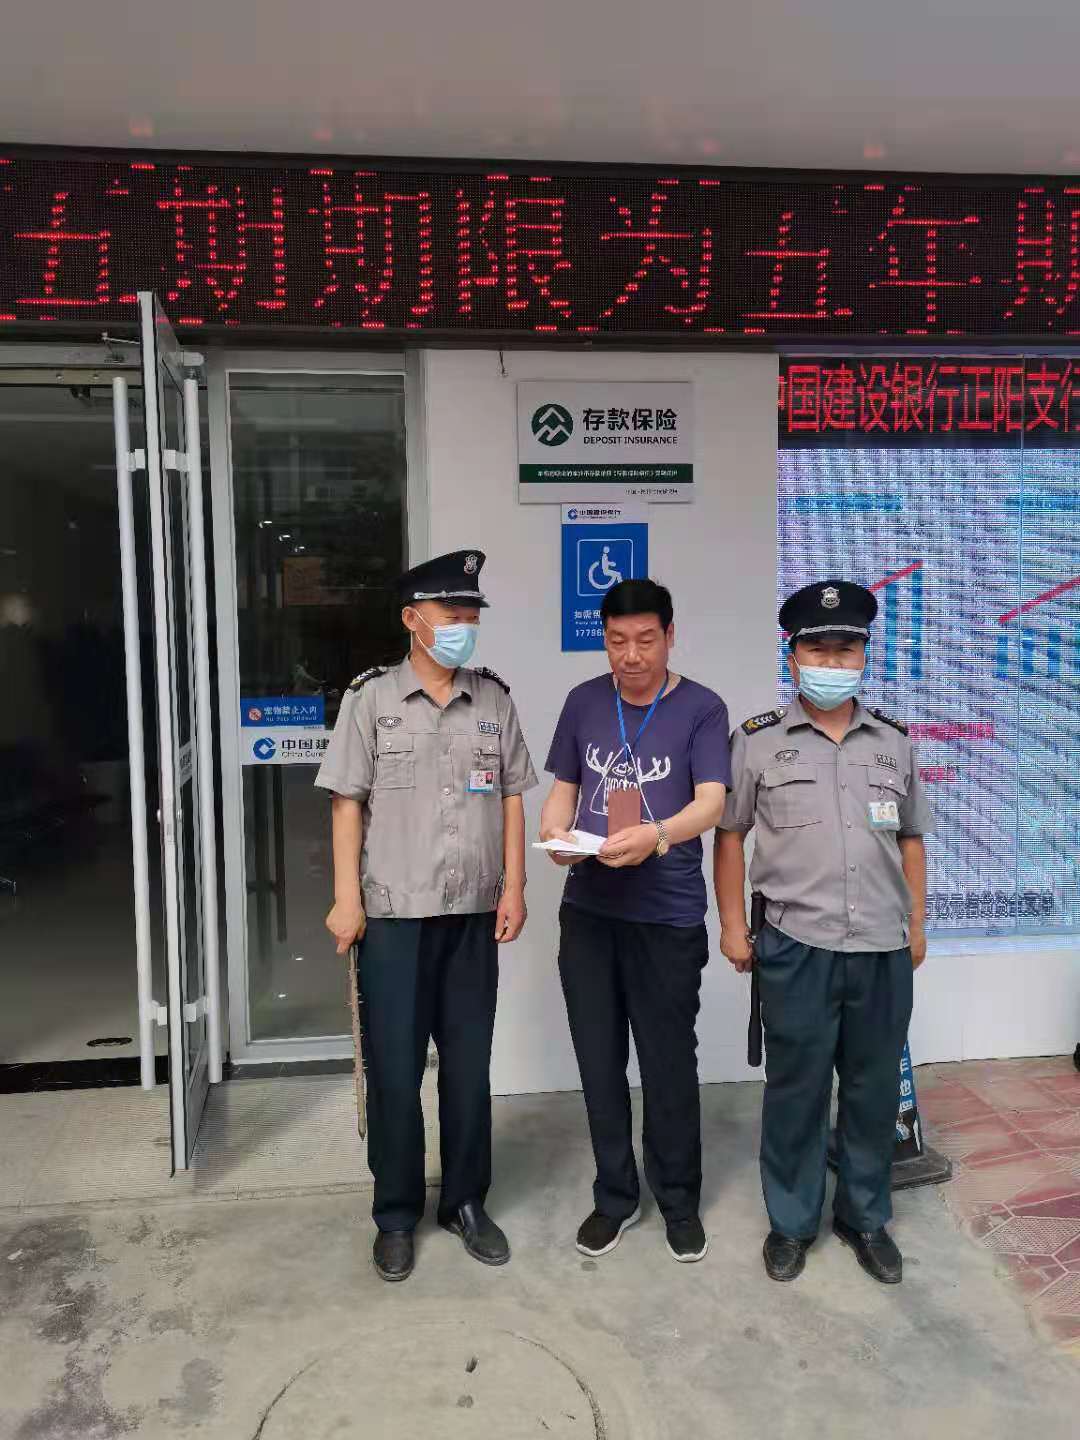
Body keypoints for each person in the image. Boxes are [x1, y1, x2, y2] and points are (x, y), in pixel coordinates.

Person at [315, 549, 537, 1283]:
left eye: (471, 614)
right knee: (396, 1072)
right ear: (413, 619)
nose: (463, 625)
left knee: (468, 1071)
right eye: (451, 614)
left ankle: (466, 1201)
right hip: (393, 917)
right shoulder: (371, 700)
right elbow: (346, 804)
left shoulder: (493, 700)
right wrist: (346, 898)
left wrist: (514, 887)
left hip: (472, 913)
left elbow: (513, 795)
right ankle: (396, 1214)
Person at [715, 580, 935, 1286]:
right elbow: (729, 836)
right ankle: (791, 1222)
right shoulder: (756, 743)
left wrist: (917, 924)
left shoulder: (894, 743)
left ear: (864, 655)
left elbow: (911, 840)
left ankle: (864, 1216)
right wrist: (731, 925)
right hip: (796, 945)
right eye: (818, 649)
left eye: (846, 649)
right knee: (796, 1090)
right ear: (793, 656)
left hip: (880, 946)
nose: (832, 662)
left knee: (873, 1091)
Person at [539, 578, 731, 1263]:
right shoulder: (583, 702)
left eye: (646, 640)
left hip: (666, 917)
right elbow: (563, 791)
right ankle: (615, 1197)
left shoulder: (702, 708)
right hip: (590, 913)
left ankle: (678, 1200)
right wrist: (555, 835)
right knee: (599, 1062)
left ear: (669, 636)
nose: (631, 655)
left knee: (668, 1062)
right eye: (617, 640)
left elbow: (711, 802)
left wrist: (657, 835)